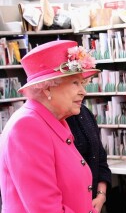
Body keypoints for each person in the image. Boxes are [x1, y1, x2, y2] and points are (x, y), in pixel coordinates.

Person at [0, 40, 100, 213]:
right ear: (47, 89)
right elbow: (45, 208)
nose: (83, 92)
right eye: (75, 83)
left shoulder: (54, 120)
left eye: (82, 84)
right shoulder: (27, 127)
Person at [66, 104, 112, 213]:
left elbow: (100, 157)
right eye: (75, 85)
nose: (83, 92)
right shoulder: (51, 121)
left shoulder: (85, 112)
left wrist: (101, 195)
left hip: (93, 203)